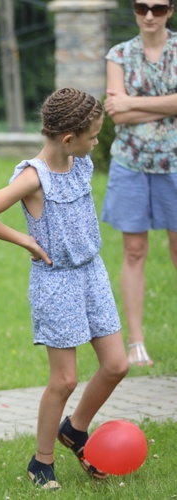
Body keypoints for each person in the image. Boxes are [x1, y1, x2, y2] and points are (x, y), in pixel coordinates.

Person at [0, 88, 129, 490]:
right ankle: (41, 462)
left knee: (116, 365)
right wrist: (27, 241)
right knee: (65, 380)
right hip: (57, 283)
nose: (96, 143)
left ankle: (75, 429)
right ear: (68, 137)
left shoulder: (79, 163)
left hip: (93, 273)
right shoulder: (32, 177)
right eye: (93, 136)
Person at [103, 0, 177, 367]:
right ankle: (136, 342)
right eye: (141, 6)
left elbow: (124, 106)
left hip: (175, 164)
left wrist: (133, 104)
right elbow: (115, 111)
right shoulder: (118, 54)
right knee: (133, 251)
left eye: (159, 7)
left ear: (171, 11)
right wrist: (167, 105)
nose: (149, 15)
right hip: (130, 164)